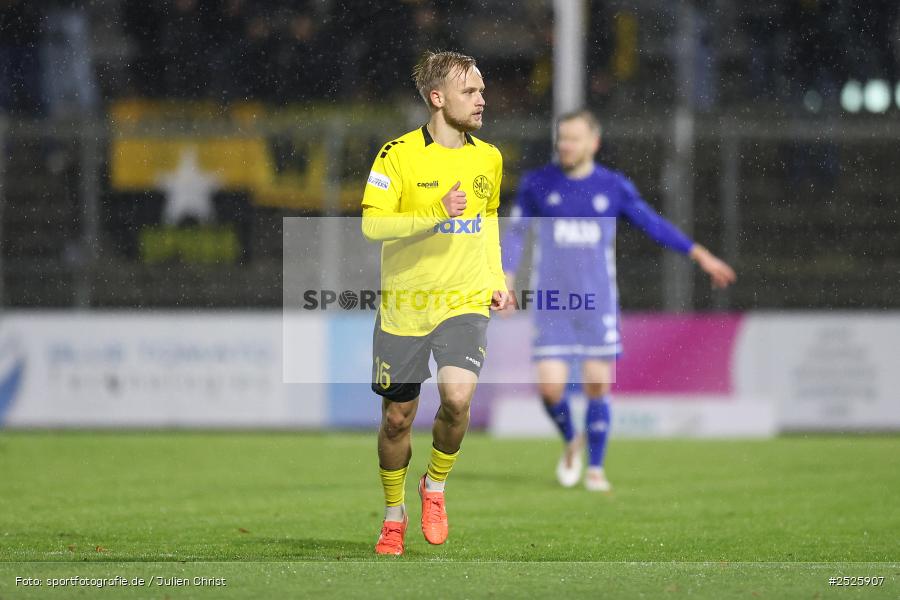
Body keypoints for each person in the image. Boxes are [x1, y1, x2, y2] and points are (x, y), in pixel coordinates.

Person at [502, 109, 736, 492]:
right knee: (550, 390)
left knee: (597, 386)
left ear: (593, 143)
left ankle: (595, 468)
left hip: (597, 303)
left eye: (574, 138)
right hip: (553, 304)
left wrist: (699, 254)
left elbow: (653, 224)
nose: (565, 145)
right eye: (561, 138)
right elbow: (515, 235)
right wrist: (506, 280)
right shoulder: (537, 184)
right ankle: (571, 440)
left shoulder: (612, 187)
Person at [361, 51, 509, 556]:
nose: (482, 99)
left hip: (464, 301)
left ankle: (436, 487)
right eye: (471, 91)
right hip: (406, 306)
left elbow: (488, 223)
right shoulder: (396, 155)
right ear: (437, 98)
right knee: (397, 419)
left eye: (482, 90)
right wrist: (433, 211)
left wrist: (497, 277)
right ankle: (393, 515)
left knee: (458, 398)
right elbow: (372, 224)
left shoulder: (488, 157)